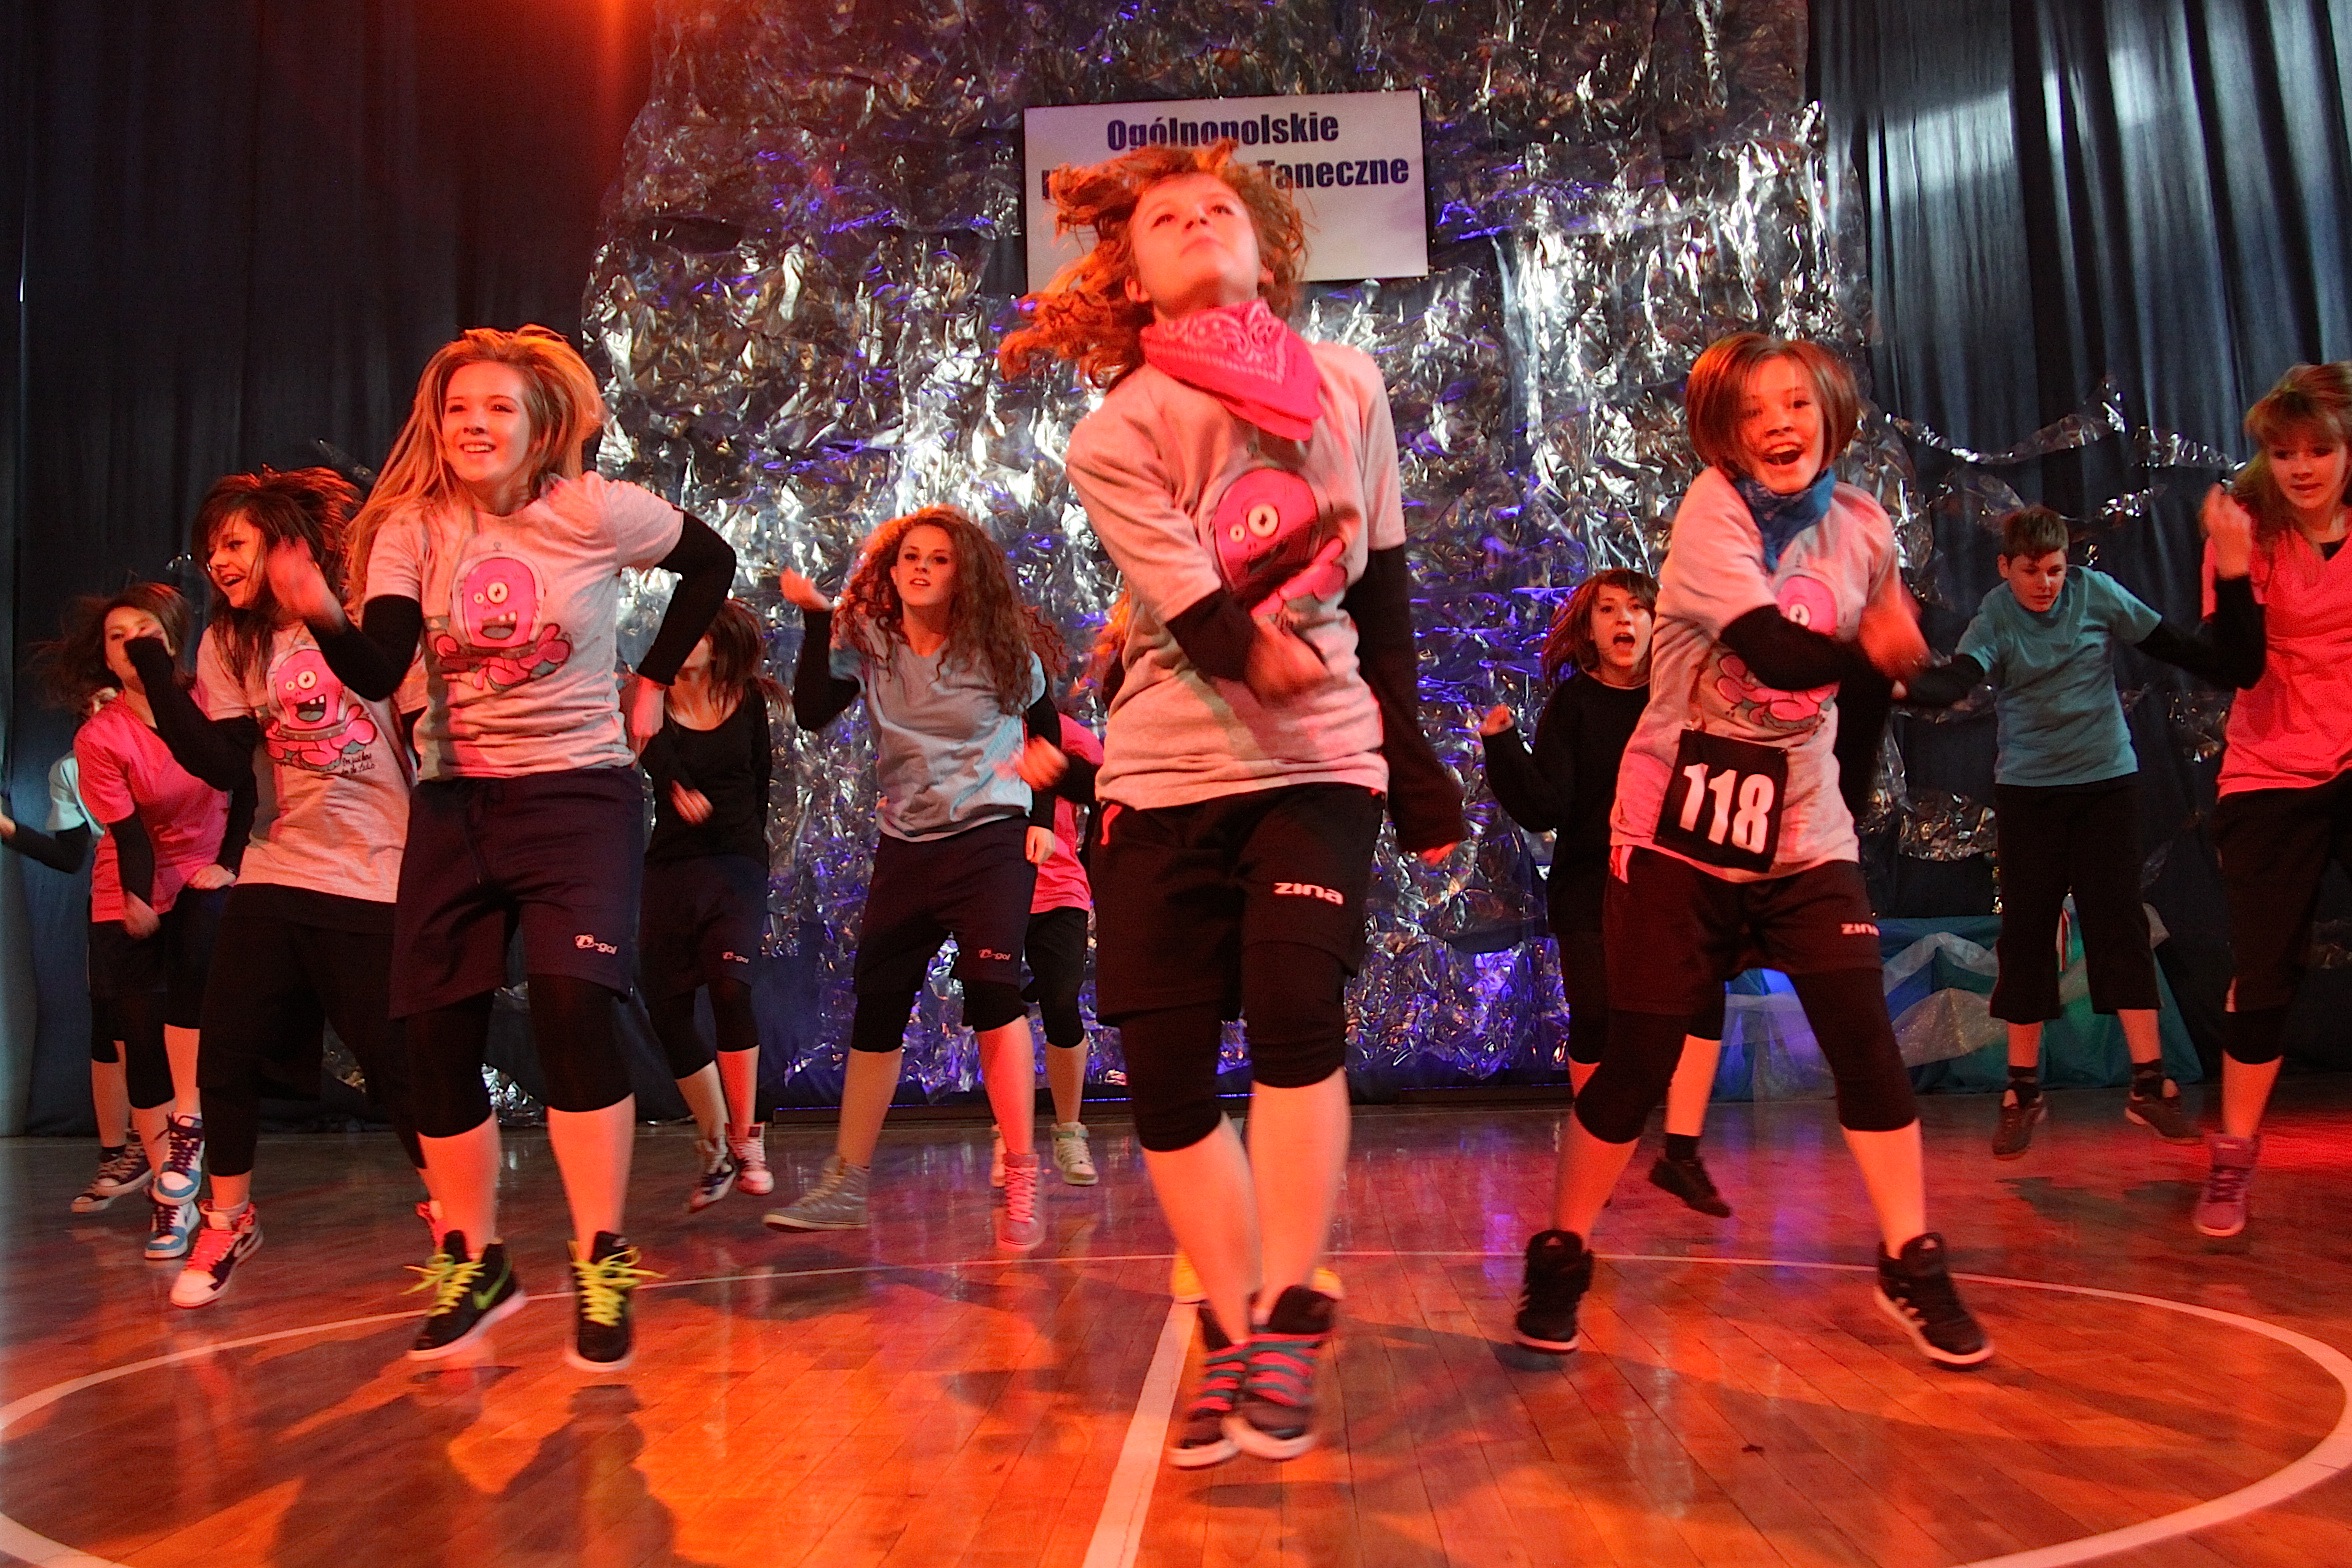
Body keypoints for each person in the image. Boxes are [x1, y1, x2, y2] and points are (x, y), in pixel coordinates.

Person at [1000, 140, 1464, 1466]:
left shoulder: (1348, 384)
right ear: (1132, 279)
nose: (1200, 221)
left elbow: (1383, 592)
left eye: (1221, 209)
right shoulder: (1117, 431)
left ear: (1267, 254)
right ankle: (1231, 1309)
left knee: (1297, 1007)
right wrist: (1251, 651)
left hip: (1318, 757)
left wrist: (1415, 760)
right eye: (1167, 218)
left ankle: (1290, 1303)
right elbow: (1198, 610)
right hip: (1165, 770)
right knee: (1163, 1072)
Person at [1512, 331, 1994, 1370]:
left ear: (1830, 415)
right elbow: (1774, 651)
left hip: (1803, 838)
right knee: (1637, 1059)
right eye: (1754, 411)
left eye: (1797, 404)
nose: (1780, 423)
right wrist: (1886, 664)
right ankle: (1562, 1250)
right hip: (1677, 837)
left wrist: (1861, 779)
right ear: (1725, 436)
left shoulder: (1863, 529)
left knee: (1864, 1040)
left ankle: (1910, 1255)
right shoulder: (1713, 515)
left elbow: (1872, 688)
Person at [277, 324, 736, 1368]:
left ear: (540, 427)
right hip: (458, 803)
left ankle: (601, 1255)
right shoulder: (411, 527)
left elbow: (712, 562)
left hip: (579, 795)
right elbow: (380, 662)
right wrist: (320, 615)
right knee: (432, 1038)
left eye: (497, 408)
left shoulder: (594, 510)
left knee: (574, 1010)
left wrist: (653, 676)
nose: (474, 425)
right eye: (458, 409)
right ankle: (476, 1260)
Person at [122, 467, 434, 1307]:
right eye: (209, 551)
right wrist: (156, 675)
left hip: (374, 868)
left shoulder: (368, 614)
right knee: (225, 1050)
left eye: (234, 543)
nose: (219, 563)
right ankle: (228, 1219)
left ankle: (455, 1219)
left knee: (395, 1061)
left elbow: (407, 715)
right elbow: (226, 766)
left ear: (284, 541)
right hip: (279, 862)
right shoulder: (230, 643)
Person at [1901, 503, 2257, 1158]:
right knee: (2027, 931)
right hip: (2030, 793)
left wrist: (2237, 653)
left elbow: (2171, 644)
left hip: (2106, 784)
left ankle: (2150, 1084)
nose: (2045, 584)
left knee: (2119, 922)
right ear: (2005, 567)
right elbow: (1960, 677)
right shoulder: (1996, 615)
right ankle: (2021, 1090)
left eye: (2055, 571)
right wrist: (1903, 682)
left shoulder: (2097, 595)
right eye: (2031, 571)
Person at [765, 506, 1063, 1251]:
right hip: (909, 841)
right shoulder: (874, 640)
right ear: (892, 572)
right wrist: (815, 620)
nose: (922, 569)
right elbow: (812, 711)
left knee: (994, 992)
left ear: (963, 575)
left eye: (938, 559)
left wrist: (1043, 812)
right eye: (910, 558)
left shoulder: (996, 646)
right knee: (879, 1002)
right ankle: (846, 1182)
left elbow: (1045, 722)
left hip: (990, 832)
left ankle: (1021, 1170)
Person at [1480, 569, 1733, 1217]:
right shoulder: (1574, 704)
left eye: (1638, 609)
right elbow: (1545, 805)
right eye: (1609, 610)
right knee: (1595, 1014)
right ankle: (1597, 1148)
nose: (1625, 620)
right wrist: (1501, 745)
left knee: (1702, 999)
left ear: (1656, 624)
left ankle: (1681, 1154)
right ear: (1589, 630)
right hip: (1591, 880)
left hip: (1671, 878)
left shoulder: (1681, 697)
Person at [2186, 362, 2349, 1237]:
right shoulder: (2244, 527)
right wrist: (2236, 567)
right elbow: (2239, 668)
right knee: (2264, 970)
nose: (2302, 468)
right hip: (2272, 771)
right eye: (2285, 453)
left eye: (2319, 450)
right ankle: (2234, 1154)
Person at [36, 585, 245, 1261]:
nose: (130, 645)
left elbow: (244, 786)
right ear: (105, 655)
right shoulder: (100, 735)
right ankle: (168, 1194)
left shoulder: (210, 702)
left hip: (204, 870)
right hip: (128, 883)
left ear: (173, 640)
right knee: (137, 1036)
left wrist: (230, 864)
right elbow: (128, 836)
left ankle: (195, 1138)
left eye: (144, 632)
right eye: (116, 636)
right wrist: (134, 898)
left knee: (196, 1003)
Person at [638, 598, 779, 1212]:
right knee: (667, 1008)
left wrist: (750, 850)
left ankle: (749, 1140)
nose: (680, 644)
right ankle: (715, 1142)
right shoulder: (649, 700)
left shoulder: (746, 702)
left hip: (735, 862)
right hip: (672, 865)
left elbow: (760, 780)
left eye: (693, 634)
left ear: (717, 645)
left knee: (729, 987)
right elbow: (652, 756)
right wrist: (678, 787)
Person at [1, 719, 144, 1213]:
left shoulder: (168, 744)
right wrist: (9, 829)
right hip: (111, 897)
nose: (105, 710)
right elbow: (68, 856)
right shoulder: (71, 768)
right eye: (94, 704)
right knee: (108, 1024)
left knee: (166, 1026)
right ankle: (115, 1156)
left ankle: (166, 1153)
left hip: (172, 889)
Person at [990, 706, 1105, 1189]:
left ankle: (1069, 1130)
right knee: (998, 1011)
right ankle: (1009, 1135)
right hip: (996, 885)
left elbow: (1103, 788)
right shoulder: (977, 724)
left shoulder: (1066, 732)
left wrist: (1093, 864)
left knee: (1061, 1001)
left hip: (1060, 887)